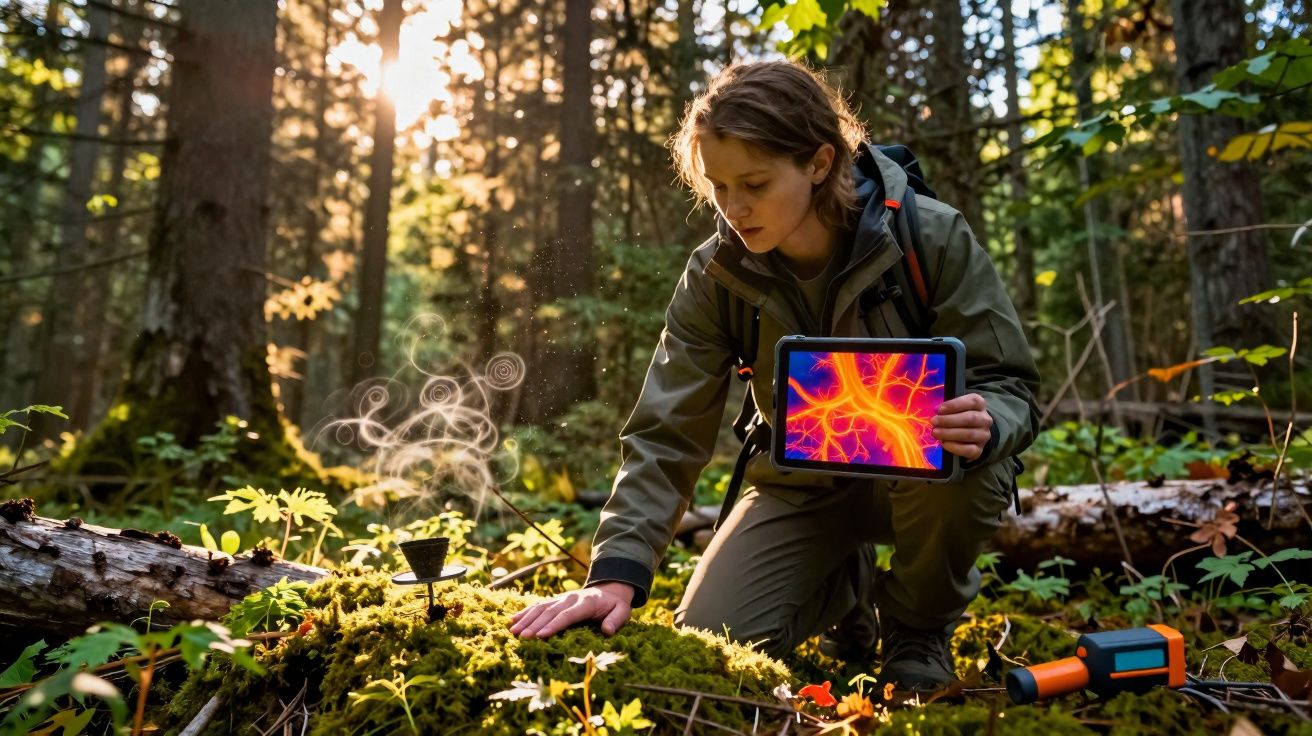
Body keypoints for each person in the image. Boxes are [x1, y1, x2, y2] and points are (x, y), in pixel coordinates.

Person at [510, 60, 1040, 692]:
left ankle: (917, 629)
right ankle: (846, 586)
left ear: (818, 163)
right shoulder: (715, 275)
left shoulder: (929, 236)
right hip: (803, 486)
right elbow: (665, 429)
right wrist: (616, 569)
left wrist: (987, 420)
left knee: (963, 467)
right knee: (714, 641)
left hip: (926, 483)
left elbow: (1013, 387)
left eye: (754, 184)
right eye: (718, 187)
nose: (733, 209)